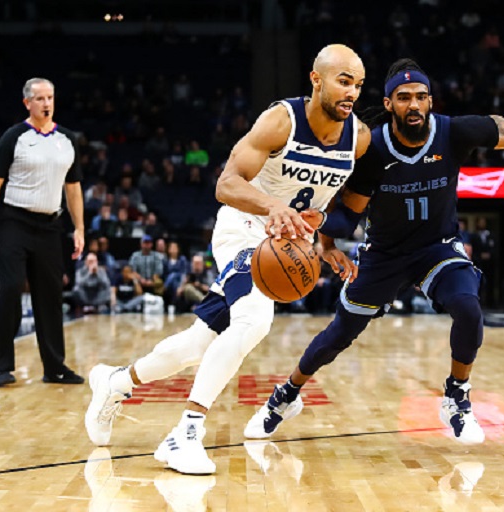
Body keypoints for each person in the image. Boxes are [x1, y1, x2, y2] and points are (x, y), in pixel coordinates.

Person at [244, 58, 504, 446]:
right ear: (388, 104)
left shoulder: (454, 132)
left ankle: (456, 396)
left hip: (438, 248)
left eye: (420, 97)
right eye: (403, 98)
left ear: (430, 101)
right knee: (338, 335)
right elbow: (349, 216)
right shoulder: (373, 150)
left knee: (467, 306)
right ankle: (287, 394)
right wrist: (322, 233)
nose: (413, 105)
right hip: (384, 254)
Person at [85, 44, 370, 474]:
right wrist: (270, 206)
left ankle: (116, 382)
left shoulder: (359, 138)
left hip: (290, 243)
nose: (351, 92)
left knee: (200, 343)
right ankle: (186, 433)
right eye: (343, 81)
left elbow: (350, 207)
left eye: (359, 85)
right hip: (244, 231)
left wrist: (326, 237)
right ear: (316, 80)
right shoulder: (281, 121)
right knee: (256, 319)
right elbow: (226, 184)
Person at [0, 77, 85, 387]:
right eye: (39, 98)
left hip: (51, 225)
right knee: (11, 289)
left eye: (50, 97)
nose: (46, 103)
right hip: (13, 222)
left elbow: (74, 187)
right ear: (27, 103)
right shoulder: (14, 137)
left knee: (50, 297)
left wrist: (79, 228)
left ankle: (55, 368)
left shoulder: (67, 139)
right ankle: (2, 366)